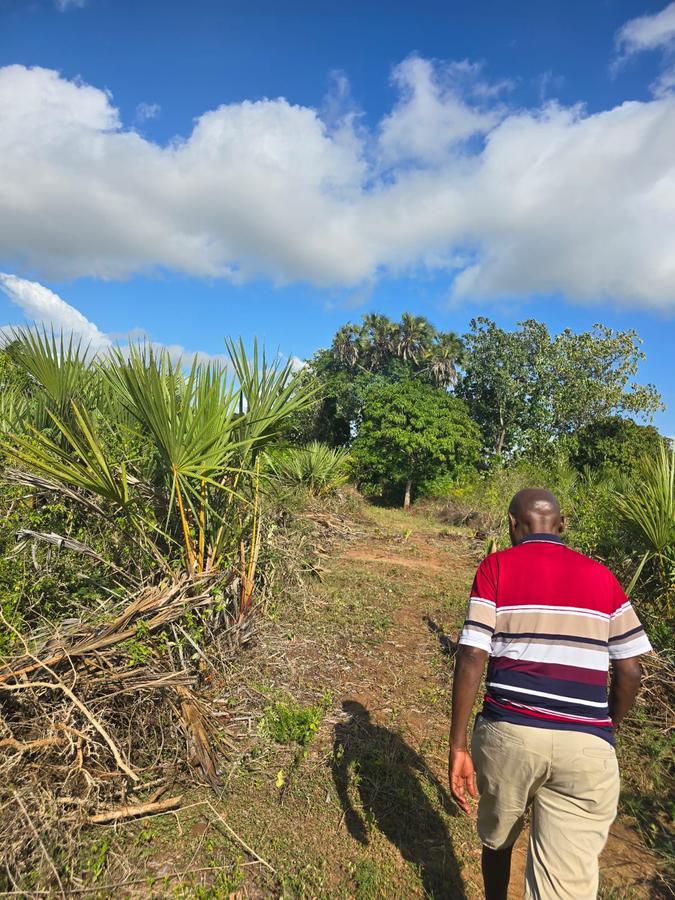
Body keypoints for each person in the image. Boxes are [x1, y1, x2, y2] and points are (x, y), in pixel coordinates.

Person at [448, 488, 652, 900]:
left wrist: (457, 744)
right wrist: (604, 726)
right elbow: (630, 670)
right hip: (587, 748)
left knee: (499, 839)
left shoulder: (496, 567)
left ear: (511, 524)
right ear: (562, 526)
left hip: (511, 733)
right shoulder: (604, 578)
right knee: (566, 885)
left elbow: (472, 653)